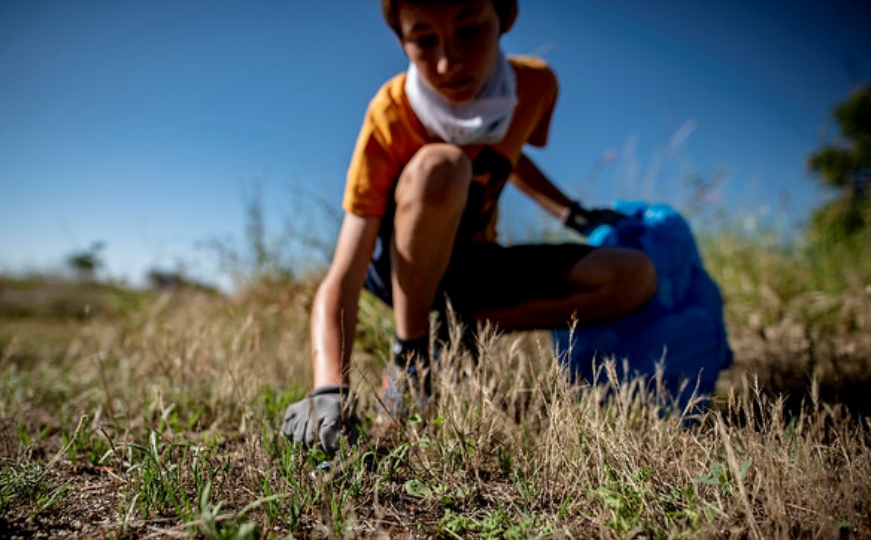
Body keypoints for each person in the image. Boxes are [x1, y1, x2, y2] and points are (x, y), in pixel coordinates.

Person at [281, 0, 658, 455]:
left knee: (634, 275)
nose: (447, 62)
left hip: (475, 264)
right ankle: (411, 354)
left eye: (470, 30)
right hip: (400, 269)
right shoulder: (390, 115)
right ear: (401, 41)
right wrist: (328, 390)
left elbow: (510, 156)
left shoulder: (534, 86)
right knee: (444, 165)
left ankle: (460, 333)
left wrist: (572, 213)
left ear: (504, 19)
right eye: (423, 40)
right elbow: (340, 279)